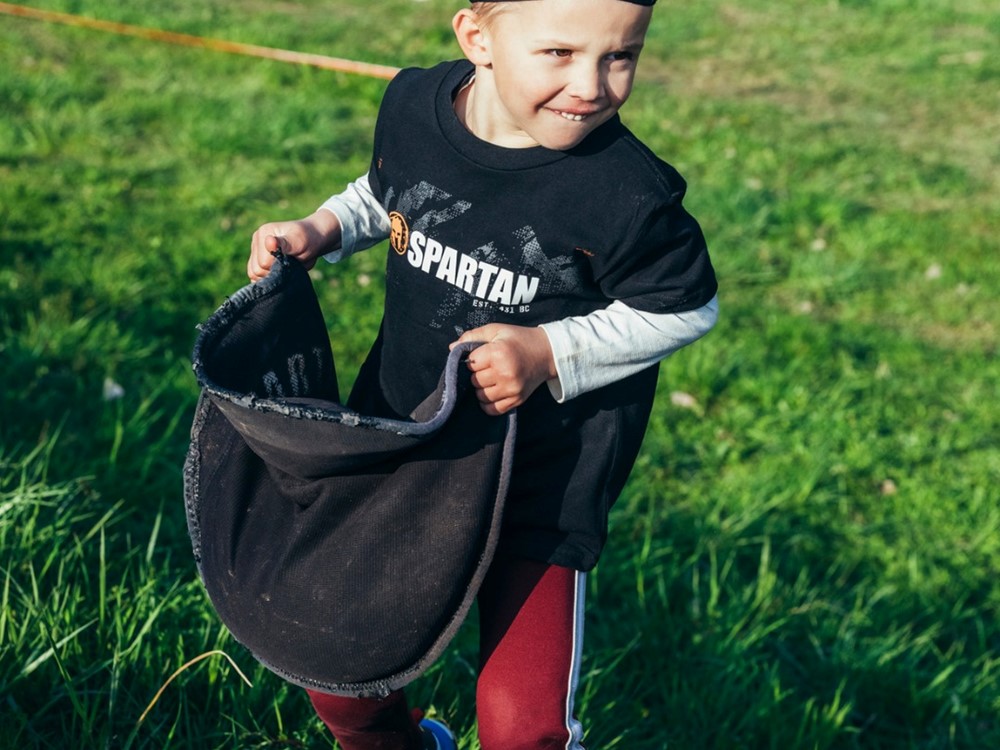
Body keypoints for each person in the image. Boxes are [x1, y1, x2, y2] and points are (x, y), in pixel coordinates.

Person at [246, 0, 718, 747]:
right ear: (478, 37)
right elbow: (386, 192)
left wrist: (549, 352)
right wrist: (323, 228)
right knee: (341, 675)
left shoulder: (627, 193)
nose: (591, 86)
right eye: (560, 53)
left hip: (541, 480)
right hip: (402, 449)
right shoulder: (413, 106)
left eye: (620, 56)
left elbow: (686, 308)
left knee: (523, 728)